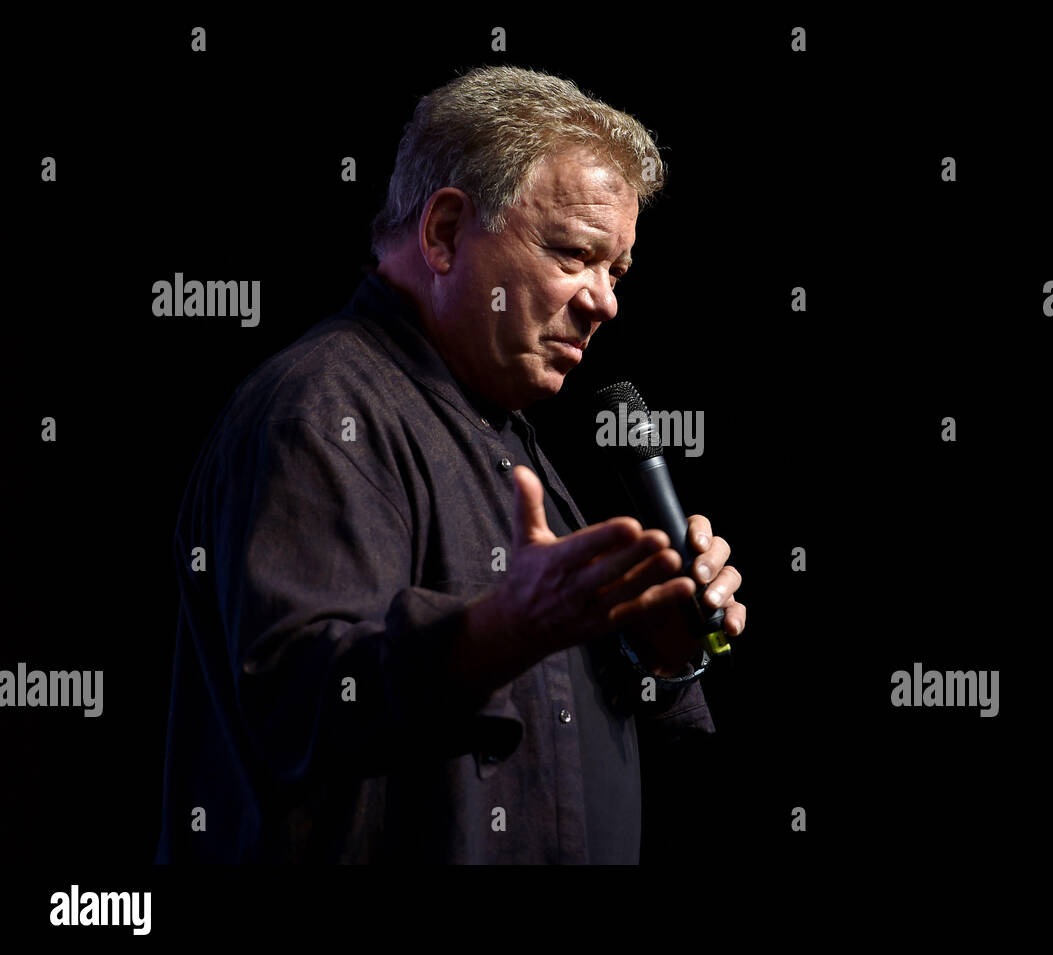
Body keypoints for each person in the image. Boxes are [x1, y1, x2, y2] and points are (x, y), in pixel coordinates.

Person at [153, 65, 746, 864]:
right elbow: (304, 702)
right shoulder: (323, 411)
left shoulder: (506, 431)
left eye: (617, 271)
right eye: (574, 254)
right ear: (443, 234)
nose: (605, 301)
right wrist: (505, 626)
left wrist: (659, 650)